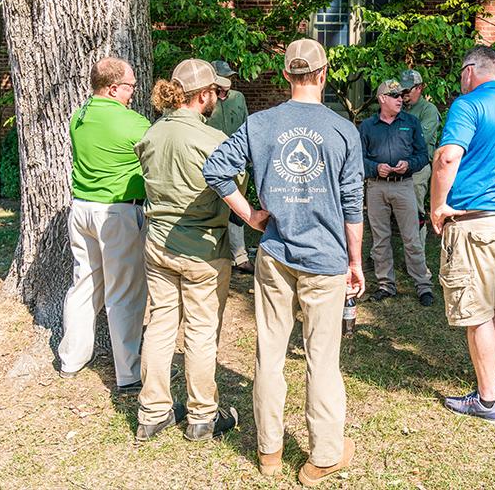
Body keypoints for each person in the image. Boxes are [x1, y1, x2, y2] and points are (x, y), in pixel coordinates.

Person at [202, 38, 364, 487]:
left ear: (286, 75)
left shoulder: (261, 123)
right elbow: (353, 202)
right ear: (323, 74)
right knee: (322, 359)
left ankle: (269, 450)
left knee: (270, 355)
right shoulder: (342, 129)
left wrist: (250, 214)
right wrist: (356, 260)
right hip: (326, 258)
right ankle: (325, 455)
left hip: (274, 255)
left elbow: (217, 168)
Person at [133, 59, 240, 442]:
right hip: (202, 249)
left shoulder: (153, 133)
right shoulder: (211, 140)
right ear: (203, 94)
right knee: (201, 330)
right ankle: (202, 416)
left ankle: (153, 412)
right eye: (217, 91)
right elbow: (235, 184)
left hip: (158, 244)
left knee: (161, 325)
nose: (220, 97)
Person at [430, 45, 495, 424]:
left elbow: (447, 157)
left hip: (476, 223)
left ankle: (488, 401)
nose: (461, 78)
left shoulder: (468, 105)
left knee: (476, 314)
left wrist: (438, 205)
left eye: (462, 70)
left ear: (472, 70)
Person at [57, 57, 149, 392]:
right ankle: (129, 372)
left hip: (81, 209)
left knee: (84, 285)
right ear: (112, 88)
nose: (132, 92)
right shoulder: (132, 123)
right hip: (115, 212)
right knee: (123, 291)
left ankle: (71, 357)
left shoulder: (78, 116)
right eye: (129, 86)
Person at [360, 79, 434, 306]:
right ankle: (385, 285)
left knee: (411, 238)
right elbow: (357, 159)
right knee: (380, 238)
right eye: (394, 96)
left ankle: (423, 286)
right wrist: (375, 168)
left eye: (401, 95)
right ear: (382, 99)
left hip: (404, 186)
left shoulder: (411, 123)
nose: (400, 99)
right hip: (376, 187)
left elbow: (423, 156)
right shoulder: (367, 126)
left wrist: (408, 165)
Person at [207, 60, 255, 275]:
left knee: (238, 210)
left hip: (239, 165)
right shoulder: (206, 100)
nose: (227, 84)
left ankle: (240, 257)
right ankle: (216, 255)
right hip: (212, 164)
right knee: (213, 210)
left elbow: (246, 124)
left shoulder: (238, 98)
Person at [401, 69, 441, 244]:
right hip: (398, 166)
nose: (404, 95)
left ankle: (417, 258)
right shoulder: (398, 107)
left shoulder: (428, 110)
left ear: (419, 88)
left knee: (416, 212)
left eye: (407, 90)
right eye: (402, 91)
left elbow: (420, 141)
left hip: (418, 168)